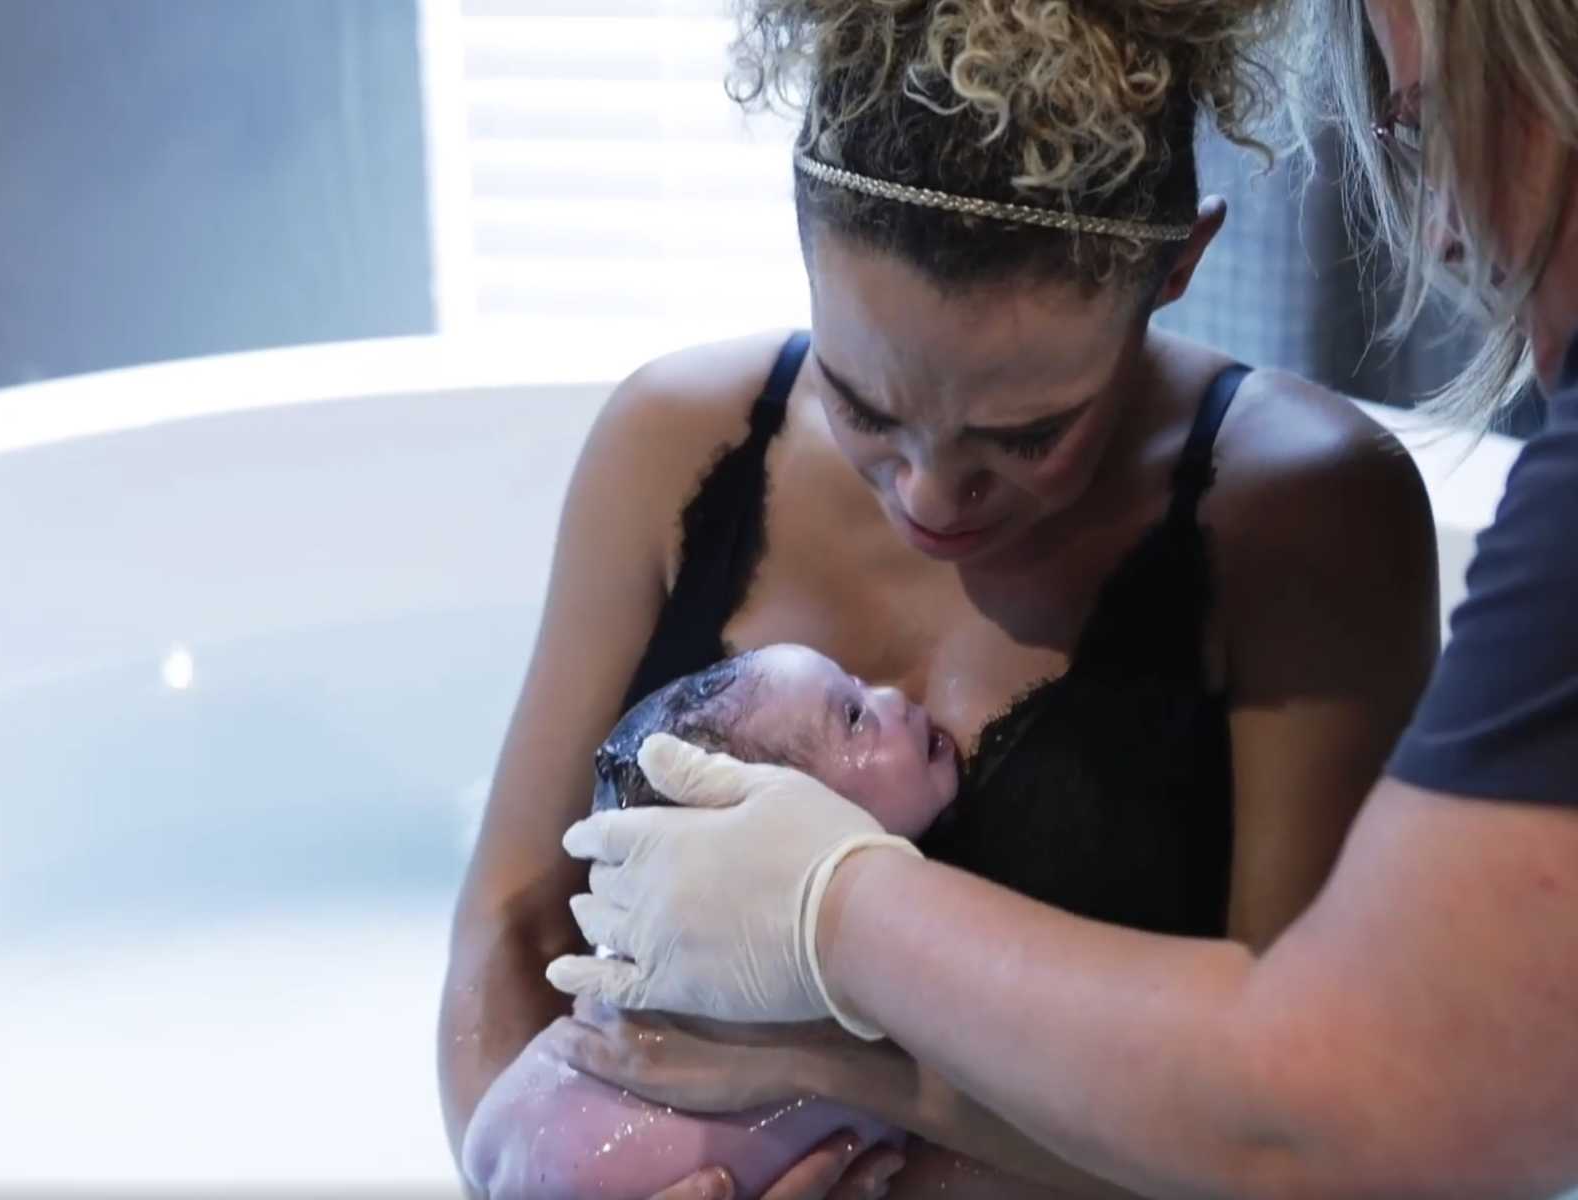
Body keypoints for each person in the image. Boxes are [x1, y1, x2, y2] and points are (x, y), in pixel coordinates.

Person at [550, 1, 1578, 1196]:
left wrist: (829, 928)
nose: (930, 494)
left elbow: (1336, 1124)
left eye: (1028, 433)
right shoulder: (682, 449)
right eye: (862, 406)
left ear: (1177, 270)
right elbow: (514, 943)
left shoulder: (1298, 517)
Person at [462, 646, 940, 1200]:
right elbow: (504, 926)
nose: (897, 698)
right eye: (855, 717)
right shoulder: (850, 996)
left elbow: (493, 1156)